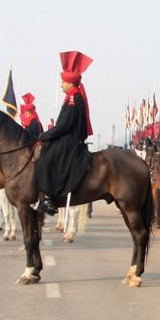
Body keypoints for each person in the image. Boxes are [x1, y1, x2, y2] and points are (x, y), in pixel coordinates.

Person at [35, 51, 94, 215]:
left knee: (47, 158)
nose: (61, 84)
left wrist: (45, 136)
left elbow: (65, 126)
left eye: (63, 82)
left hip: (70, 138)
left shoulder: (74, 98)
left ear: (70, 83)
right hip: (68, 135)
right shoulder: (72, 96)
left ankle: (50, 198)